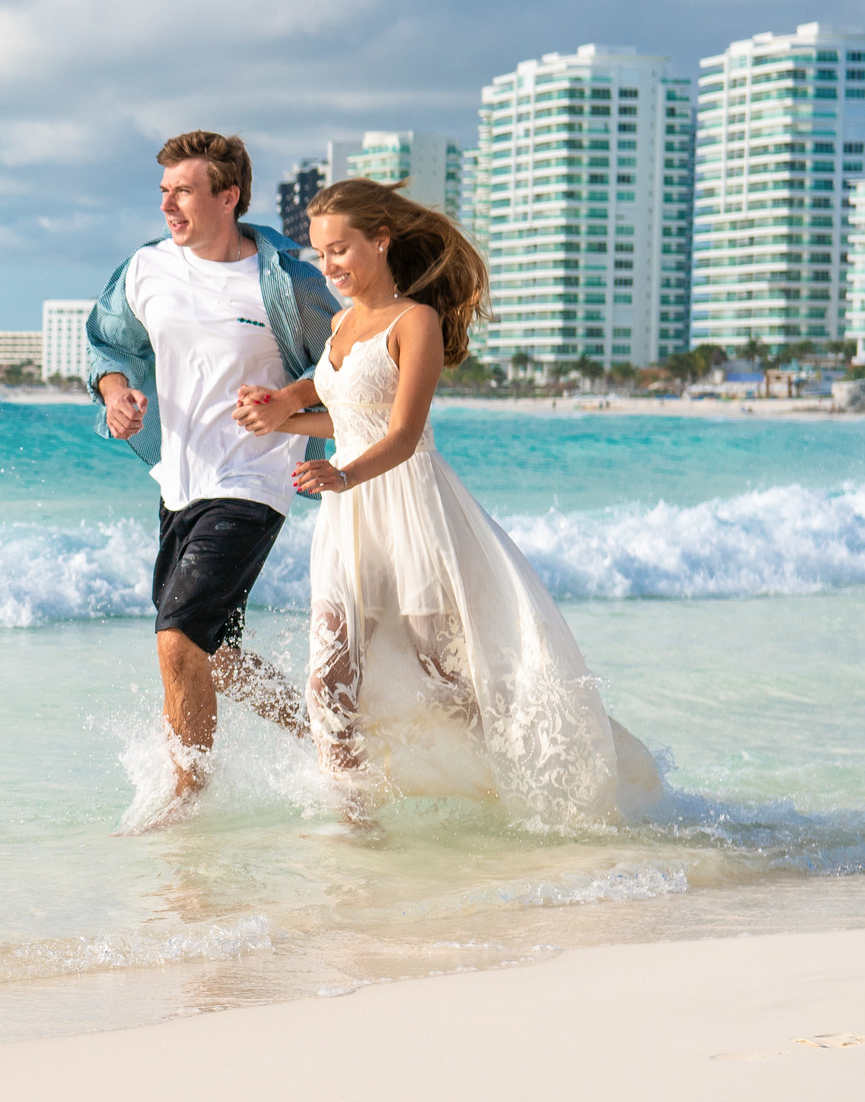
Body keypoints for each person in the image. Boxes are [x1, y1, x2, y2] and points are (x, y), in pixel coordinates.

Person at [235, 179, 661, 827]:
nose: (330, 267)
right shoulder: (344, 323)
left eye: (341, 249)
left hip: (412, 514)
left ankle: (519, 792)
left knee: (448, 684)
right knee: (327, 682)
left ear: (381, 241)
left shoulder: (417, 322)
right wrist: (279, 419)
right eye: (322, 254)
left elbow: (403, 435)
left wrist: (340, 473)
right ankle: (354, 823)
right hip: (348, 521)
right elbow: (346, 417)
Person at [84, 131, 341, 826]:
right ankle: (333, 741)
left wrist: (291, 409)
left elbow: (351, 369)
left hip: (256, 482)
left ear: (228, 197)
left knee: (177, 638)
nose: (168, 204)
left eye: (184, 191)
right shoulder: (145, 270)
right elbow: (110, 344)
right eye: (163, 190)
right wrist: (115, 394)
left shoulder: (288, 283)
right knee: (217, 656)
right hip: (178, 481)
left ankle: (186, 795)